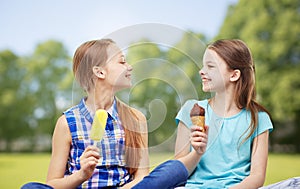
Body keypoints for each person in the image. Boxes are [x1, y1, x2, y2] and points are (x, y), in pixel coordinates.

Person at [21, 38, 191, 189]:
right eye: (122, 62)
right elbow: (53, 184)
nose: (129, 67)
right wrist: (81, 175)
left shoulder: (136, 118)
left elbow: (141, 177)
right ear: (99, 71)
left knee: (175, 169)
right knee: (30, 188)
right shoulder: (67, 123)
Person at [175, 39, 274, 189]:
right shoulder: (191, 110)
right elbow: (177, 174)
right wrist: (197, 152)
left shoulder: (258, 119)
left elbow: (257, 177)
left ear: (234, 75)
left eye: (210, 66)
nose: (202, 71)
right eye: (203, 65)